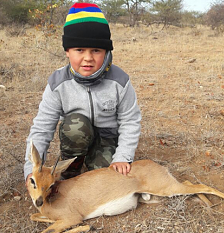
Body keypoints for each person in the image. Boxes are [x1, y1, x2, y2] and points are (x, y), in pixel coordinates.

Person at [24, 2, 141, 185]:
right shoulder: (57, 83)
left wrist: (123, 156)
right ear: (67, 51)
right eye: (79, 50)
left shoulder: (120, 81)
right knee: (75, 125)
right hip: (77, 136)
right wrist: (31, 170)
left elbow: (130, 121)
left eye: (96, 50)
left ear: (106, 52)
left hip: (107, 138)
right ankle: (73, 167)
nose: (88, 58)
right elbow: (42, 128)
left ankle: (99, 159)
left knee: (106, 180)